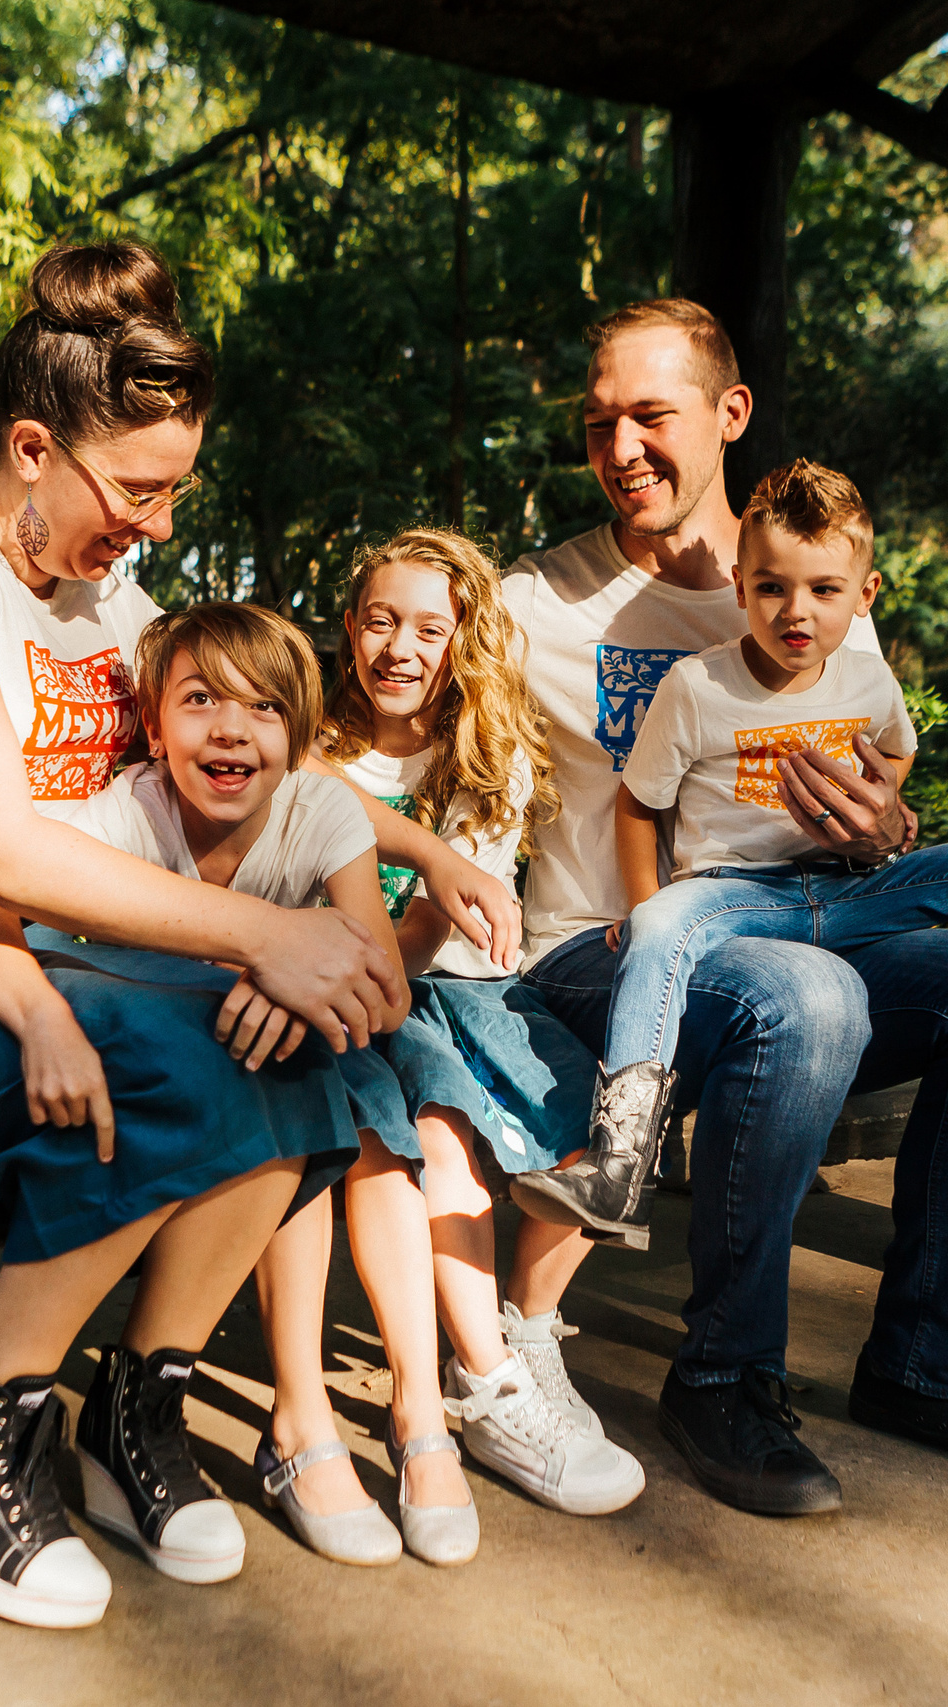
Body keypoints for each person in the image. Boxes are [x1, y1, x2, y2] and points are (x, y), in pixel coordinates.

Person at [0, 242, 519, 1631]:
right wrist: (258, 937)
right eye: (134, 489)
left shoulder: (105, 597)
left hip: (47, 937)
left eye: (172, 492)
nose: (151, 526)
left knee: (317, 1059)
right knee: (173, 1045)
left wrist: (410, 850)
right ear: (33, 447)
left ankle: (135, 1400)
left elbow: (251, 747)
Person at [503, 298, 948, 1520]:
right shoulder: (538, 603)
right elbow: (422, 742)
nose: (620, 447)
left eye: (650, 415)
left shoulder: (819, 580)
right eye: (597, 423)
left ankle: (924, 1367)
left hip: (803, 919)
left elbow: (886, 786)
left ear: (728, 415)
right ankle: (725, 1372)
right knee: (809, 996)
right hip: (602, 950)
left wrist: (888, 828)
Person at [515, 459, 948, 1249]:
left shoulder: (869, 682)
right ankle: (621, 1161)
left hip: (848, 890)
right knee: (661, 920)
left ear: (864, 595)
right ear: (740, 588)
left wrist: (876, 807)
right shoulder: (698, 688)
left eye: (824, 590)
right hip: (737, 893)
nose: (795, 611)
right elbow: (638, 803)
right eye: (771, 588)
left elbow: (896, 756)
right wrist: (642, 904)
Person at [0, 601, 466, 1568]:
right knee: (248, 1073)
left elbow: (380, 984)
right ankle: (16, 1414)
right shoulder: (125, 813)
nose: (230, 728)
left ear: (299, 739)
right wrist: (45, 1018)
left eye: (264, 708)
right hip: (148, 1061)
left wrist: (303, 995)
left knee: (328, 1080)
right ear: (153, 725)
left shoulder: (322, 813)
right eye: (199, 701)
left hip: (271, 1065)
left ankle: (157, 1405)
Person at [309, 528, 647, 1525]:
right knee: (441, 1132)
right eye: (380, 621)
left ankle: (527, 1328)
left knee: (616, 1110)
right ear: (349, 628)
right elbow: (304, 799)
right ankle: (482, 1377)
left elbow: (424, 945)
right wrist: (423, 865)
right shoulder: (316, 743)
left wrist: (428, 899)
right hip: (349, 990)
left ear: (464, 642)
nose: (400, 649)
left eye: (429, 627)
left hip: (443, 981)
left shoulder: (483, 760)